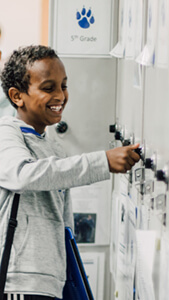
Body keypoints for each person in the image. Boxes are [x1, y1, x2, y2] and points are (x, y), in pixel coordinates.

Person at [0, 45, 140, 300]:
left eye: (63, 85)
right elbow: (23, 174)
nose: (61, 96)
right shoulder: (6, 133)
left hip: (49, 282)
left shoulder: (53, 146)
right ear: (17, 96)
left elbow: (64, 224)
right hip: (17, 282)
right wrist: (102, 162)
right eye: (48, 87)